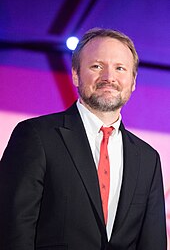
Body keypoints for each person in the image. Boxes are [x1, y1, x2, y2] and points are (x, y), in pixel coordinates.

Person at [0, 28, 167, 250]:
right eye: (97, 66)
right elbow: (12, 232)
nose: (109, 77)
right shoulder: (36, 136)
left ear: (133, 81)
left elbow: (152, 243)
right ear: (76, 74)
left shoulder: (148, 158)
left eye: (120, 68)